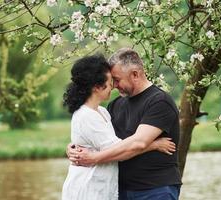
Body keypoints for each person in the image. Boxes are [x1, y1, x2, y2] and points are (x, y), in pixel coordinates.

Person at [68, 48, 182, 200]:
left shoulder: (159, 101)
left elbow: (139, 143)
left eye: (116, 79)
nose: (113, 85)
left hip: (154, 189)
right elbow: (101, 140)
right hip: (120, 191)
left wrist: (95, 158)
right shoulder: (115, 105)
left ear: (135, 74)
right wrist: (74, 147)